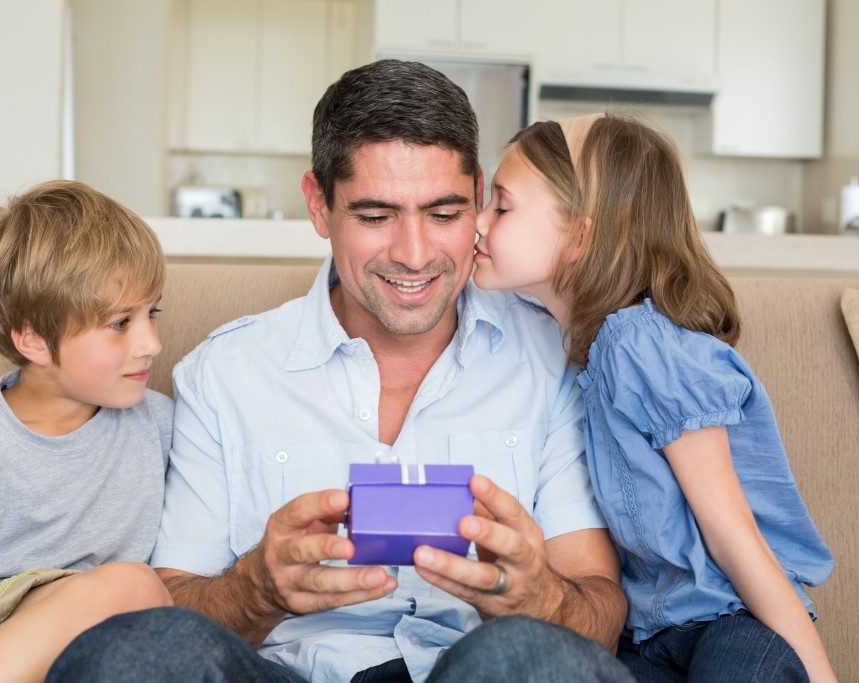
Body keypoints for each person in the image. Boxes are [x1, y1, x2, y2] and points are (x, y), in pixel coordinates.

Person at [46, 60, 634, 683]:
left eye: (443, 213)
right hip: (287, 672)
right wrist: (253, 590)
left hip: (472, 669)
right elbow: (172, 599)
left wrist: (543, 599)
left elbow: (601, 606)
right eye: (375, 217)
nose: (414, 255)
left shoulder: (550, 357)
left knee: (530, 655)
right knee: (135, 651)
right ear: (319, 206)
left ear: (480, 198)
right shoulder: (225, 373)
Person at [472, 112, 837, 682]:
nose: (477, 222)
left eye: (501, 205)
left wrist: (821, 674)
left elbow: (732, 531)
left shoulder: (639, 344)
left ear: (580, 237)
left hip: (735, 622)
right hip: (655, 638)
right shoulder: (571, 340)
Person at [0, 181, 174, 682]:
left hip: (93, 646)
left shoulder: (162, 425)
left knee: (141, 608)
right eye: (120, 323)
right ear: (34, 339)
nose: (152, 342)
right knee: (131, 587)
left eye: (152, 313)